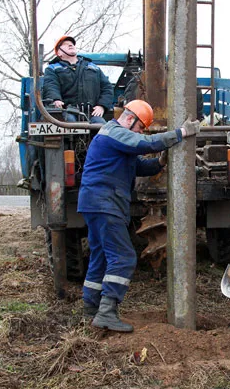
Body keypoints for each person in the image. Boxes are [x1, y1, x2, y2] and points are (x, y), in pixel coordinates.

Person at [79, 99, 201, 332]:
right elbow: (145, 143)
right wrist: (182, 133)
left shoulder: (115, 142)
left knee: (101, 256)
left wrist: (161, 162)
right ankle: (106, 312)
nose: (140, 132)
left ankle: (91, 308)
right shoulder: (114, 131)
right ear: (129, 118)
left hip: (95, 203)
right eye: (139, 127)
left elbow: (141, 167)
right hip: (105, 202)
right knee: (123, 257)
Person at [42, 35, 114, 124]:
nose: (70, 45)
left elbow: (107, 88)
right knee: (70, 124)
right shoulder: (53, 68)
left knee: (102, 127)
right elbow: (51, 85)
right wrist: (56, 99)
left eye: (72, 44)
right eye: (65, 44)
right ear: (59, 53)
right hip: (67, 111)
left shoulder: (93, 67)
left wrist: (102, 106)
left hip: (91, 113)